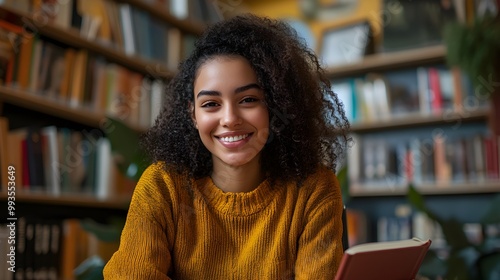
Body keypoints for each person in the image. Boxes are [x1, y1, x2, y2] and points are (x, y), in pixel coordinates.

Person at [103, 13, 351, 279]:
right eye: (211, 104)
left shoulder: (313, 188)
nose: (230, 119)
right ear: (193, 115)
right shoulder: (163, 187)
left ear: (275, 105)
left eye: (248, 100)